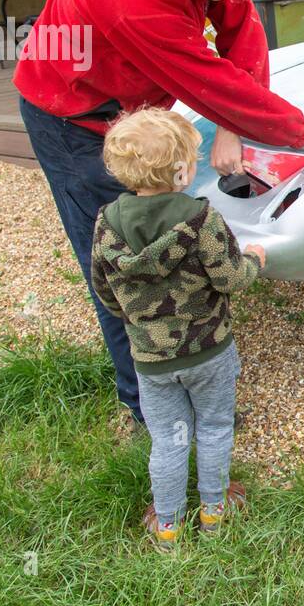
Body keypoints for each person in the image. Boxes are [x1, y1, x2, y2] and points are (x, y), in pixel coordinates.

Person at [14, 0, 304, 428]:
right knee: (125, 263)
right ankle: (150, 412)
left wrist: (233, 129)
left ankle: (189, 362)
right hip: (73, 117)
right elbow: (209, 80)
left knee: (171, 238)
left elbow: (242, 34)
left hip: (133, 106)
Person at [90, 108, 263, 549]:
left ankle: (167, 524)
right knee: (215, 427)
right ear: (183, 171)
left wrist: (134, 320)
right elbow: (230, 279)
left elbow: (104, 290)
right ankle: (214, 513)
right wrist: (256, 260)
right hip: (209, 352)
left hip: (150, 359)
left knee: (167, 439)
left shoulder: (106, 224)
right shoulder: (202, 220)